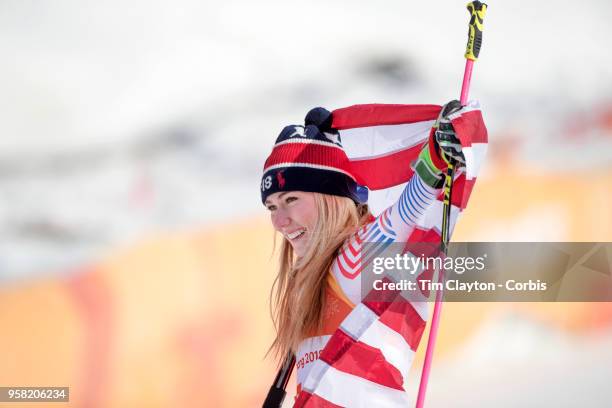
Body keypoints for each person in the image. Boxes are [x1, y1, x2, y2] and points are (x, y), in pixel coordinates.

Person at [261, 100, 479, 401]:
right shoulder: (306, 283)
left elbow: (401, 216)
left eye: (291, 199)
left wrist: (434, 162)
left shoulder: (352, 261)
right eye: (272, 206)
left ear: (330, 199)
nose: (279, 221)